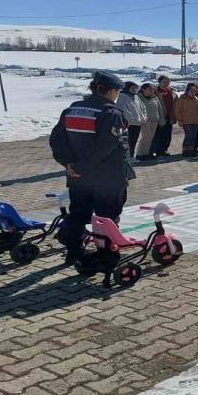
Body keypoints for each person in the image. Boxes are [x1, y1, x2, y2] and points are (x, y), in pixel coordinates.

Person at [49, 71, 135, 262]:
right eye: (117, 91)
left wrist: (70, 164)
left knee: (78, 215)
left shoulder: (72, 110)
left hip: (78, 179)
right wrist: (80, 167)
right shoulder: (111, 114)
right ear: (112, 91)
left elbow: (57, 141)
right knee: (107, 218)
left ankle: (73, 252)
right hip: (107, 179)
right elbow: (104, 148)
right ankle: (106, 255)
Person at [115, 81, 146, 159]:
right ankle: (127, 158)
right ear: (127, 88)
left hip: (138, 123)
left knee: (134, 141)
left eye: (135, 88)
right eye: (132, 88)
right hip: (129, 124)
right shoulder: (122, 97)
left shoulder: (136, 97)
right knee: (128, 142)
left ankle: (131, 157)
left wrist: (144, 117)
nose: (134, 89)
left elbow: (143, 108)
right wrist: (132, 120)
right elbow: (124, 111)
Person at [136, 83, 163, 160]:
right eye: (149, 89)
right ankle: (140, 154)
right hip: (145, 120)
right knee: (146, 137)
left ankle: (147, 153)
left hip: (154, 120)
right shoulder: (138, 98)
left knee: (150, 138)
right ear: (143, 89)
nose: (151, 91)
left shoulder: (154, 97)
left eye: (152, 89)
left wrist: (161, 119)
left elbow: (159, 109)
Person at [175, 85, 198, 156]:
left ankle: (190, 150)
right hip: (186, 121)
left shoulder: (196, 99)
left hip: (196, 121)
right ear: (187, 91)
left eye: (194, 91)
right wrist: (179, 120)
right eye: (191, 91)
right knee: (189, 136)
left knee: (193, 136)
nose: (193, 93)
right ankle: (185, 150)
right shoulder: (182, 99)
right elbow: (177, 110)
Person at [152, 75, 177, 157]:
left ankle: (164, 150)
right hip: (159, 116)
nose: (166, 84)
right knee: (158, 135)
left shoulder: (171, 91)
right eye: (164, 82)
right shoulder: (154, 91)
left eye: (168, 82)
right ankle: (157, 151)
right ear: (159, 82)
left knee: (167, 135)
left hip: (169, 116)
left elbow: (175, 103)